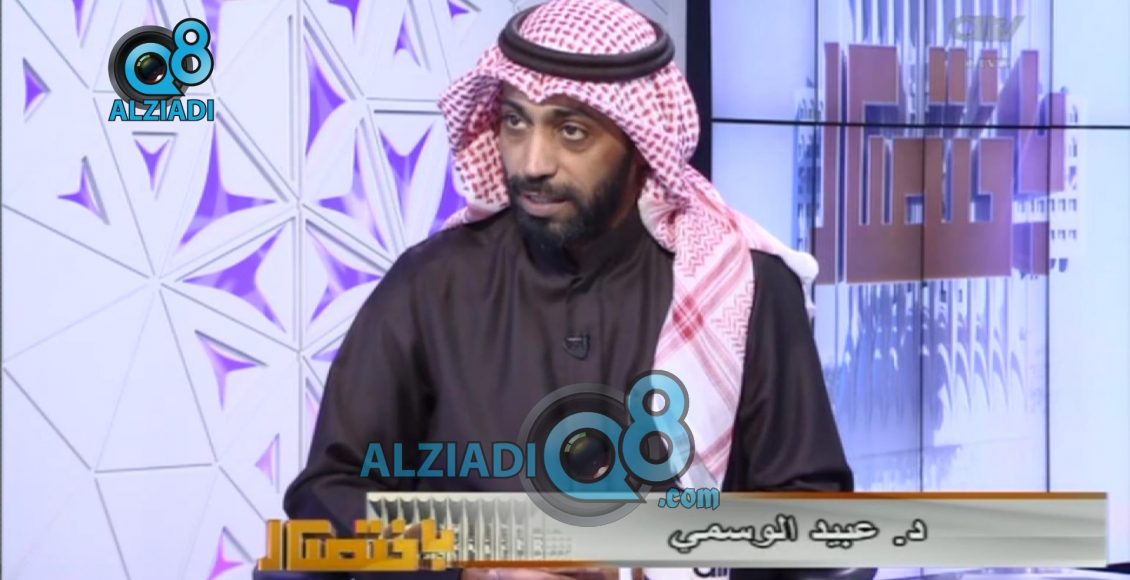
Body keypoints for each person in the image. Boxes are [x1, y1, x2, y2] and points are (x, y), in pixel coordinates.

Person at [281, 1, 859, 579]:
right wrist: (473, 570)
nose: (533, 163)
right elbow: (329, 495)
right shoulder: (433, 285)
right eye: (515, 122)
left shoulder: (744, 286)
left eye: (571, 131)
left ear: (640, 142)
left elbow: (812, 523)